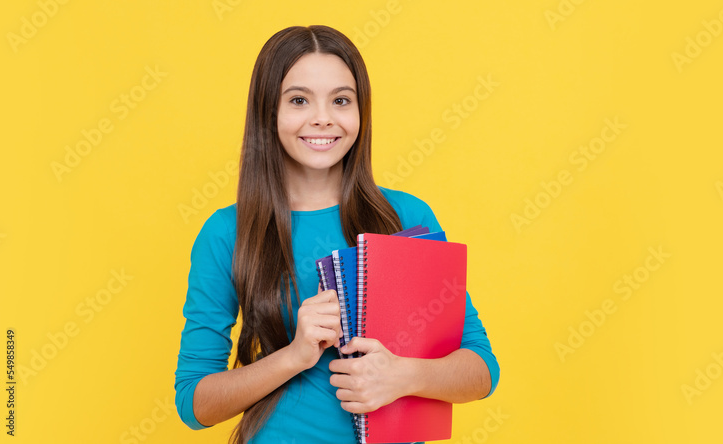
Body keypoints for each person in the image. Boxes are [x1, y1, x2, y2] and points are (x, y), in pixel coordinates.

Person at [173, 25, 500, 444]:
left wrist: (402, 376)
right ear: (267, 112)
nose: (323, 117)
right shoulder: (227, 233)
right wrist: (295, 355)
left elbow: (480, 370)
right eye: (298, 100)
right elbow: (194, 404)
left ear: (360, 111)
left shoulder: (404, 216)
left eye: (341, 100)